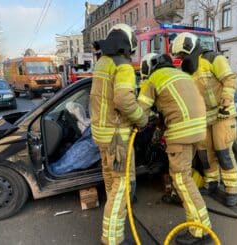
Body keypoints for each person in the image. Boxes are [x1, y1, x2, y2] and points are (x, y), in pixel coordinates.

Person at [138, 53, 212, 245]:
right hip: (198, 131)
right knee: (185, 177)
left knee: (182, 180)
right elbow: (179, 103)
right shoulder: (182, 75)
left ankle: (199, 232)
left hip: (181, 134)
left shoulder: (154, 79)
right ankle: (201, 225)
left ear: (148, 68)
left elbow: (140, 112)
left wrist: (135, 125)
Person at [90, 23, 148, 245]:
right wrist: (141, 119)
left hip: (102, 134)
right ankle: (112, 238)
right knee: (120, 187)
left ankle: (114, 221)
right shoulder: (123, 66)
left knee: (111, 182)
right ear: (128, 43)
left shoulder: (102, 63)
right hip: (117, 137)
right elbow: (124, 100)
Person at [171, 32, 237, 207]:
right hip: (204, 119)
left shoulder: (213, 59)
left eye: (182, 55)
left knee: (223, 152)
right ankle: (212, 183)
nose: (181, 59)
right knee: (204, 154)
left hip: (222, 115)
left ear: (189, 48)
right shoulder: (187, 70)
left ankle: (232, 190)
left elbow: (229, 79)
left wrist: (225, 102)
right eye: (179, 56)